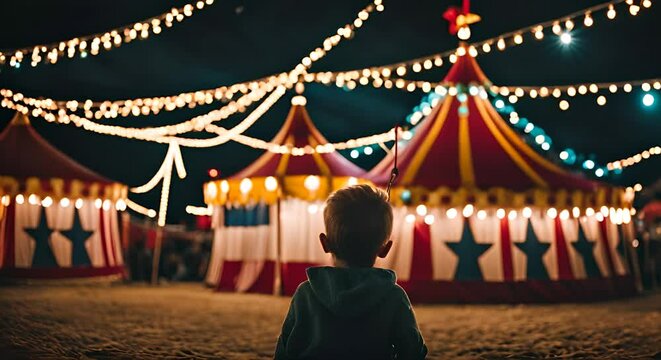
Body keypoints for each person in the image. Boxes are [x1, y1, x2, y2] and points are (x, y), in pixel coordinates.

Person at [274, 185, 427, 359]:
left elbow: (286, 348)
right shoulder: (393, 296)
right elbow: (413, 351)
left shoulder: (306, 293)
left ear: (325, 243)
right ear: (385, 249)